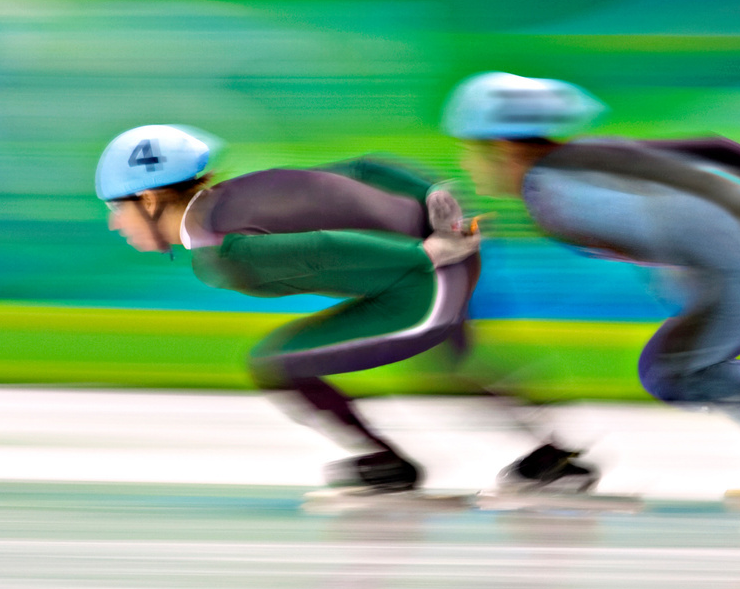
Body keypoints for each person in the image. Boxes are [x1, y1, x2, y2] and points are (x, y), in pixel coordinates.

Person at [96, 123, 587, 505]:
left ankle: (392, 466)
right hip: (430, 245)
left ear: (150, 198)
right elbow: (359, 169)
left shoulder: (223, 254)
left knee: (282, 362)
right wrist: (434, 195)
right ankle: (553, 458)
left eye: (116, 209)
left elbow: (329, 247)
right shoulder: (238, 194)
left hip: (423, 273)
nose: (115, 224)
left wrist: (431, 252)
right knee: (451, 362)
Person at [441, 72, 740, 489]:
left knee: (672, 371)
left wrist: (697, 268)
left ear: (502, 144)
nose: (470, 162)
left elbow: (663, 219)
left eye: (474, 149)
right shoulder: (584, 157)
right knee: (690, 365)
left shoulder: (553, 194)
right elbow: (716, 149)